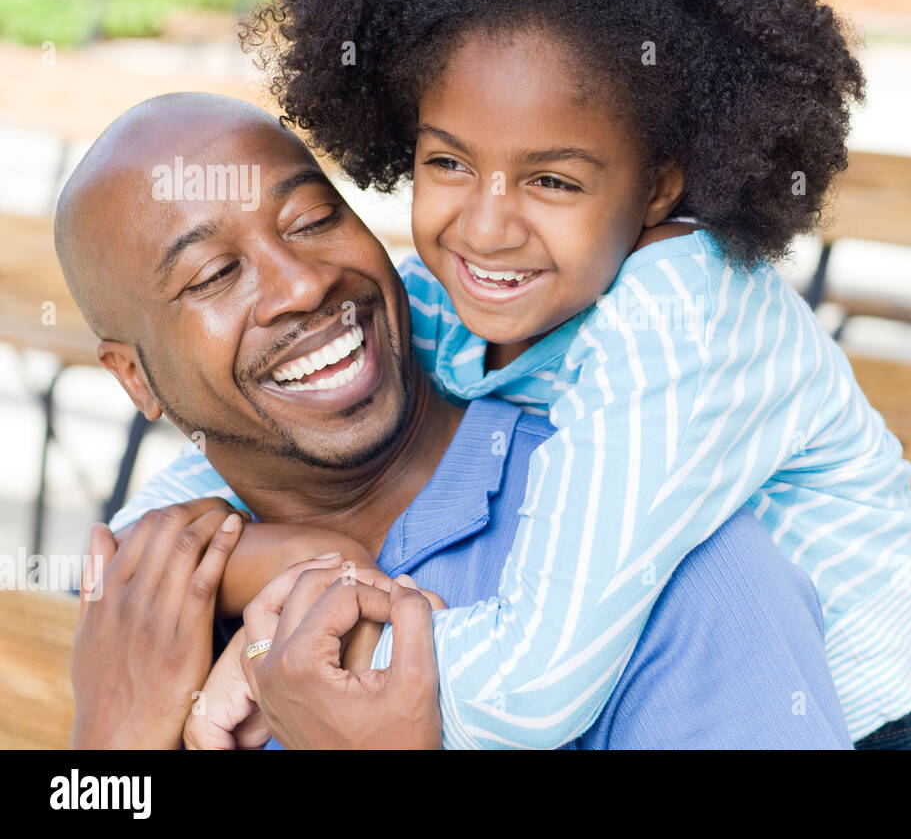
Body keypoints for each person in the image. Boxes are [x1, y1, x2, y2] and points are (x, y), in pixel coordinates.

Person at [112, 0, 911, 750]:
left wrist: (289, 653)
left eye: (553, 181)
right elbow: (148, 535)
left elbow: (529, 695)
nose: (486, 227)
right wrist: (267, 560)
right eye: (449, 163)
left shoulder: (684, 319)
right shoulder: (444, 299)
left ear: (659, 186)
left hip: (894, 713)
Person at [59, 92, 852, 749]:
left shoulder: (682, 574)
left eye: (310, 220)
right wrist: (111, 743)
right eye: (216, 274)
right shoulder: (160, 595)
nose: (301, 285)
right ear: (135, 377)